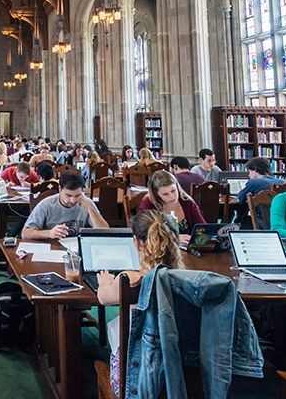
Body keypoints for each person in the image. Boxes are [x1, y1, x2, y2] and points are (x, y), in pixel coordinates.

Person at [95, 210, 184, 397]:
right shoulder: (185, 278)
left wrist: (104, 282)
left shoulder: (131, 279)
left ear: (136, 242)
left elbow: (103, 298)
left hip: (136, 378)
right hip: (177, 371)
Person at [21, 171, 108, 239]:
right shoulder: (46, 204)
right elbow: (25, 233)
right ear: (60, 189)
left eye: (77, 195)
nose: (73, 200)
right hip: (52, 247)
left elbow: (105, 231)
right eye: (68, 195)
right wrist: (49, 233)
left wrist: (90, 207)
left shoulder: (86, 202)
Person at [138, 170, 206, 233]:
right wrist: (176, 237)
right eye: (165, 194)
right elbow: (144, 233)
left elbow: (203, 228)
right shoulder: (148, 205)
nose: (172, 197)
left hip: (186, 245)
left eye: (173, 191)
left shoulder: (187, 202)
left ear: (177, 187)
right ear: (157, 195)